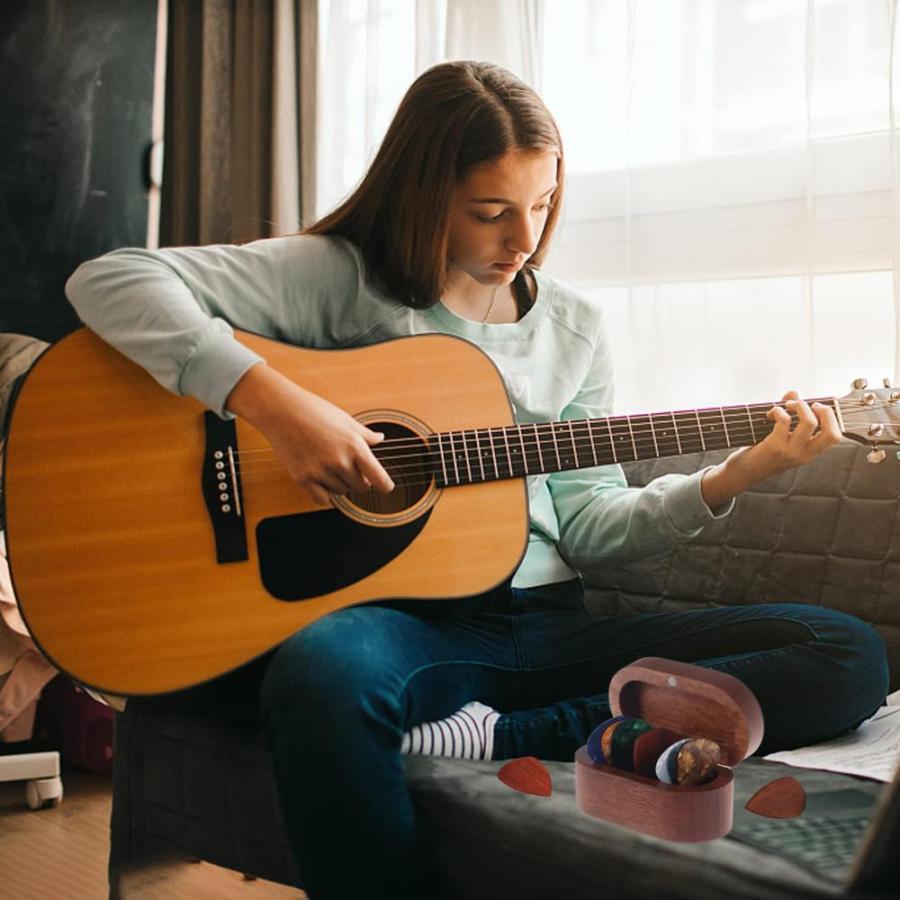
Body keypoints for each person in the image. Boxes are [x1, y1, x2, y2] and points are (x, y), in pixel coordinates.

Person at [66, 61, 889, 899]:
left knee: (849, 654)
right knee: (318, 674)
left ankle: (499, 734)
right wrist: (275, 404)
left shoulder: (575, 326)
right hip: (414, 626)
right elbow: (110, 279)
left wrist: (738, 473)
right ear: (424, 195)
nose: (523, 238)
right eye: (491, 212)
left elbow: (593, 524)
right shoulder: (340, 277)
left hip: (550, 625)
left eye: (541, 205)